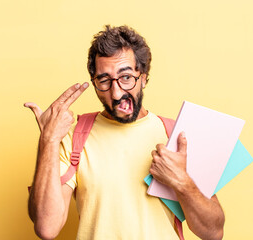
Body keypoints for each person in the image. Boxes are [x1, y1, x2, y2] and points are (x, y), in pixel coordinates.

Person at [25, 25, 225, 240]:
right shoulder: (73, 137)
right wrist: (48, 139)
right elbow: (47, 227)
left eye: (126, 77)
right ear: (94, 83)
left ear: (144, 77)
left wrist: (182, 182)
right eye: (104, 80)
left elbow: (213, 232)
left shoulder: (176, 137)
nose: (117, 92)